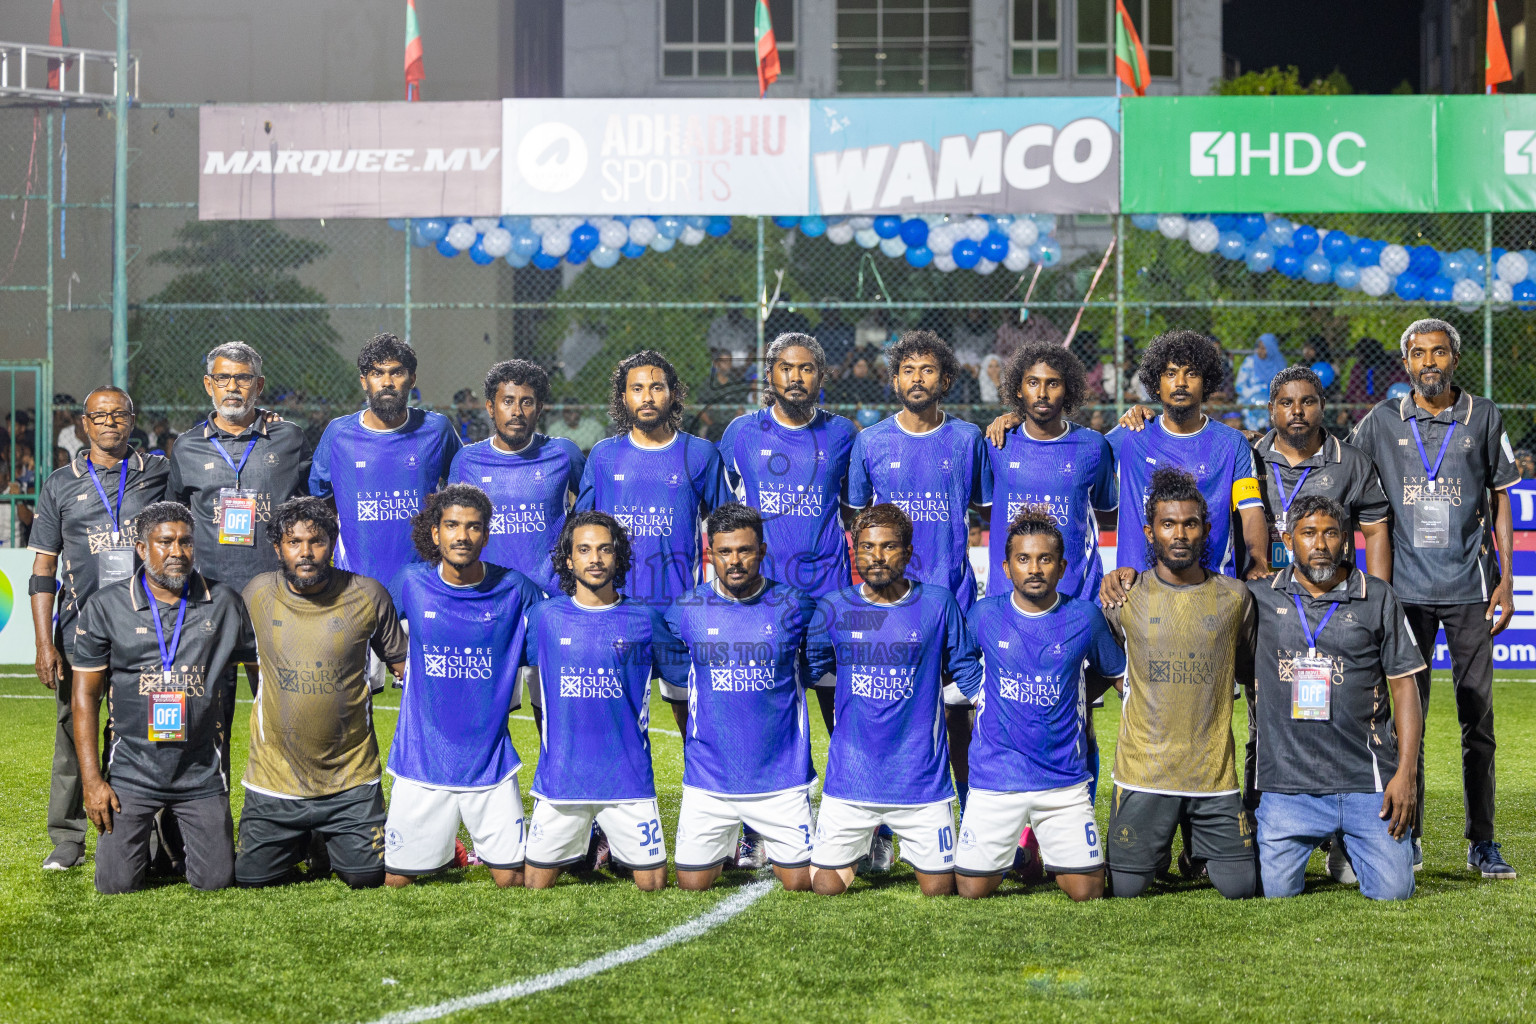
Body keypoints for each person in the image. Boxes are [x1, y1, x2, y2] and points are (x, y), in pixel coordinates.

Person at [1349, 318, 1519, 879]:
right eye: (1419, 353)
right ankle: (1408, 834)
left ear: (1453, 358)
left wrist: (1506, 581)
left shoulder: (1484, 416)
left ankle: (1483, 842)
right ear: (1407, 363)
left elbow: (1500, 502)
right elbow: (1341, 471)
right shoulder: (1381, 420)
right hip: (1403, 598)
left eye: (1439, 353)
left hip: (1469, 592)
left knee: (1479, 719)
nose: (1429, 362)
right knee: (1403, 722)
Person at [1240, 496, 1424, 901]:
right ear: (1288, 539)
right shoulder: (1258, 598)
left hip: (1366, 784)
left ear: (1346, 540)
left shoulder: (1377, 597)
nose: (1319, 543)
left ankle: (1350, 843)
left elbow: (1405, 686)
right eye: (1308, 533)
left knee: (1395, 892)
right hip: (1289, 788)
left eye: (1330, 533)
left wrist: (1406, 774)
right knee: (1275, 894)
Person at [69, 502, 257, 894]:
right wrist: (92, 781)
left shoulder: (224, 602)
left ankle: (177, 836)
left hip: (201, 771)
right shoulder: (106, 606)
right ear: (141, 549)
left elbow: (262, 680)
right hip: (131, 772)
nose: (177, 552)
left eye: (186, 542)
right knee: (115, 885)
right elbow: (85, 697)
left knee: (216, 882)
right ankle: (150, 834)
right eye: (165, 542)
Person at [803, 504, 982, 897]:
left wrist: (1005, 713)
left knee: (941, 891)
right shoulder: (834, 608)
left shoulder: (937, 604)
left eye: (888, 547)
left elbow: (968, 672)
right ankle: (865, 842)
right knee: (824, 887)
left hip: (921, 782)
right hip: (850, 779)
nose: (877, 557)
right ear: (854, 550)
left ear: (908, 551)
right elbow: (812, 669)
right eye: (866, 547)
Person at [846, 330, 989, 823]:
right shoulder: (871, 441)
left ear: (945, 379)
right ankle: (882, 827)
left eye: (927, 370)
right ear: (894, 379)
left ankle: (972, 814)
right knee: (887, 714)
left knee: (958, 716)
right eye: (908, 370)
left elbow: (989, 505)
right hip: (890, 602)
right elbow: (856, 518)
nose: (917, 379)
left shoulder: (969, 439)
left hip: (954, 597)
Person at [29, 385, 170, 871]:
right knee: (73, 730)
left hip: (144, 625)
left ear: (133, 421)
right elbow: (43, 568)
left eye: (119, 415)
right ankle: (68, 838)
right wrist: (44, 642)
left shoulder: (157, 473)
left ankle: (151, 838)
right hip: (79, 631)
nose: (109, 422)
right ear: (83, 425)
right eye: (99, 416)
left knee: (145, 731)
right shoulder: (59, 484)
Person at [235, 497, 409, 889]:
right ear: (277, 547)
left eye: (316, 541)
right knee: (251, 879)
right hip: (274, 779)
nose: (306, 553)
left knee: (366, 877)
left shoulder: (367, 594)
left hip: (350, 778)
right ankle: (306, 840)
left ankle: (325, 839)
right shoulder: (257, 593)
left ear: (332, 543)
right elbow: (239, 659)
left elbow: (404, 668)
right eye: (294, 542)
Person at [1101, 468, 1258, 900]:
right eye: (1168, 524)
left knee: (1241, 888)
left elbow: (1245, 666)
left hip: (1213, 774)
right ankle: (1158, 849)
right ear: (1150, 532)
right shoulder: (1124, 597)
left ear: (1206, 529)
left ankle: (1196, 851)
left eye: (1190, 523)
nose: (1180, 533)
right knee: (1129, 889)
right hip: (1144, 772)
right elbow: (1110, 660)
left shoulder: (1235, 597)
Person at [956, 511, 1125, 901]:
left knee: (1087, 892)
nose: (1034, 568)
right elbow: (959, 658)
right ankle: (1020, 854)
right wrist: (977, 690)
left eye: (1045, 559)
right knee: (971, 890)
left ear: (1062, 566)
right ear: (1006, 566)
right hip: (997, 777)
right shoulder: (984, 615)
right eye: (1024, 559)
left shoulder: (1084, 618)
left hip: (1061, 780)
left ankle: (1041, 851)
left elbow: (1115, 671)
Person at [383, 485, 544, 888]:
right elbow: (371, 621)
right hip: (420, 759)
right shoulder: (410, 582)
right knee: (396, 883)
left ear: (486, 536)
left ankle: (455, 846)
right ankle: (446, 847)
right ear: (435, 533)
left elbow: (551, 636)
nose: (462, 536)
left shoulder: (515, 589)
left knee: (512, 880)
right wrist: (397, 659)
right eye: (452, 525)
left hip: (489, 760)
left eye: (473, 527)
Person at [521, 512, 689, 890]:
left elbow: (685, 674)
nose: (595, 559)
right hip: (561, 780)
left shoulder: (644, 619)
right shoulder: (545, 617)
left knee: (654, 884)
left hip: (627, 780)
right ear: (569, 560)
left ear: (618, 557)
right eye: (584, 550)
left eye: (604, 549)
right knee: (534, 884)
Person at [661, 504, 819, 891]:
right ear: (710, 554)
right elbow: (678, 681)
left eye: (745, 550)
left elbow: (816, 668)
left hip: (781, 778)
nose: (735, 561)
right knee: (691, 884)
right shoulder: (684, 610)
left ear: (762, 551)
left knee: (802, 884)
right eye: (725, 552)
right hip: (709, 780)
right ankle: (729, 840)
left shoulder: (796, 605)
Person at [1098, 330, 1270, 600]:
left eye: (1191, 374)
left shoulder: (1231, 443)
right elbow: (1077, 453)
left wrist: (1259, 560)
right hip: (1138, 592)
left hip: (1214, 591)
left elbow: (1250, 512)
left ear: (1206, 384)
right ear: (1156, 385)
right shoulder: (1131, 435)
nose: (1180, 382)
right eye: (1170, 373)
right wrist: (1016, 423)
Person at [574, 350, 732, 608]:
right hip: (613, 608)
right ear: (624, 398)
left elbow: (730, 532)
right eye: (637, 389)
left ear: (673, 395)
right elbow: (579, 534)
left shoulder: (701, 455)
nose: (647, 398)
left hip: (678, 610)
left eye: (656, 388)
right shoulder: (603, 455)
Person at [309, 333, 461, 588]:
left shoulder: (437, 429)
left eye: (396, 373)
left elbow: (462, 494)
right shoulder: (338, 434)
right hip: (354, 586)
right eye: (377, 373)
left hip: (423, 584)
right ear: (364, 382)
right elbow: (319, 500)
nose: (387, 382)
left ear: (412, 379)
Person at [167, 341, 313, 596]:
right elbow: (176, 517)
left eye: (243, 378)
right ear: (208, 384)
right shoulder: (186, 447)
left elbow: (314, 507)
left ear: (259, 385)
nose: (232, 387)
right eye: (222, 378)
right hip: (208, 592)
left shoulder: (289, 438)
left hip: (279, 588)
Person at [982, 342, 1117, 606]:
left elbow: (1105, 512)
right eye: (1033, 382)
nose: (1042, 393)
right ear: (1019, 390)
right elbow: (985, 508)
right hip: (1006, 600)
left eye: (1053, 383)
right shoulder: (996, 443)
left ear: (1068, 391)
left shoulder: (1093, 446)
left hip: (1078, 599)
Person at [448, 360, 585, 596]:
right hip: (488, 597)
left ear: (539, 408)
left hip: (552, 597)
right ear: (491, 408)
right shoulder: (466, 461)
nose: (517, 412)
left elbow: (591, 515)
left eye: (527, 402)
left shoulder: (563, 453)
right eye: (508, 401)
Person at [1234, 335, 1287, 432]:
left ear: (1271, 349)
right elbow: (1239, 386)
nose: (1260, 351)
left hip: (1271, 401)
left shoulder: (1279, 364)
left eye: (1263, 348)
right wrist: (1255, 393)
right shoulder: (1250, 362)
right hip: (1249, 401)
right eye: (1258, 347)